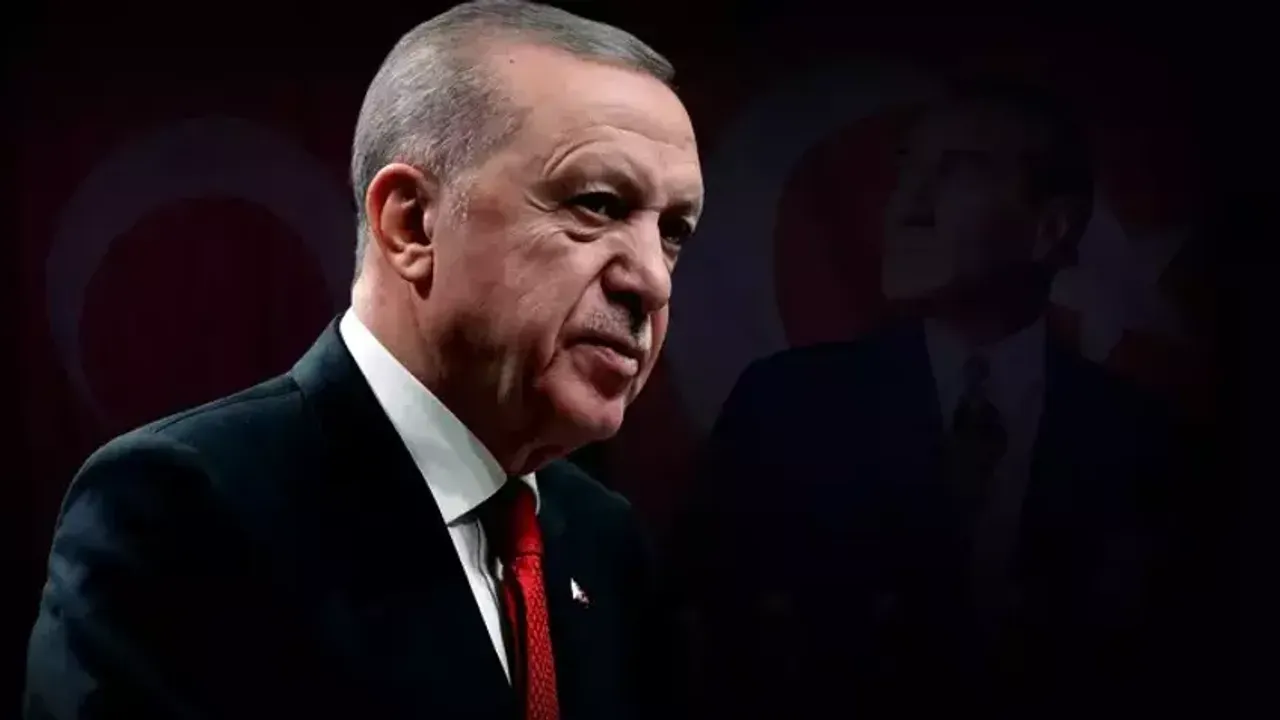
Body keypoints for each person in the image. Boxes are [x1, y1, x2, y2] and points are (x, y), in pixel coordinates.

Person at [25, 2, 703, 718]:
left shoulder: (604, 541)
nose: (652, 280)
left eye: (672, 232)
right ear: (411, 223)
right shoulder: (181, 511)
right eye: (597, 204)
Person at [680, 79, 1205, 719]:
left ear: (1051, 228)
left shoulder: (1146, 444)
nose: (907, 205)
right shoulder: (783, 409)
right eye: (907, 171)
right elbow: (701, 645)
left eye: (957, 171)